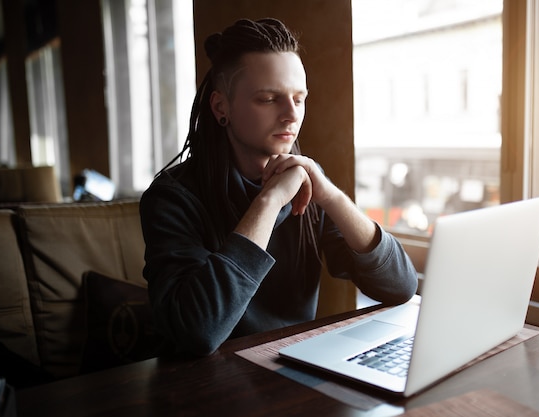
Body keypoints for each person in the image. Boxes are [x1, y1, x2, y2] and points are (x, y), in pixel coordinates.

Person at [139, 18, 418, 356]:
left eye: (298, 99)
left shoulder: (308, 184)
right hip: (203, 388)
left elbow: (401, 286)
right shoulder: (172, 198)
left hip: (290, 369)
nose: (291, 115)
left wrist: (328, 194)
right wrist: (269, 201)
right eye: (269, 99)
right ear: (220, 107)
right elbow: (198, 331)